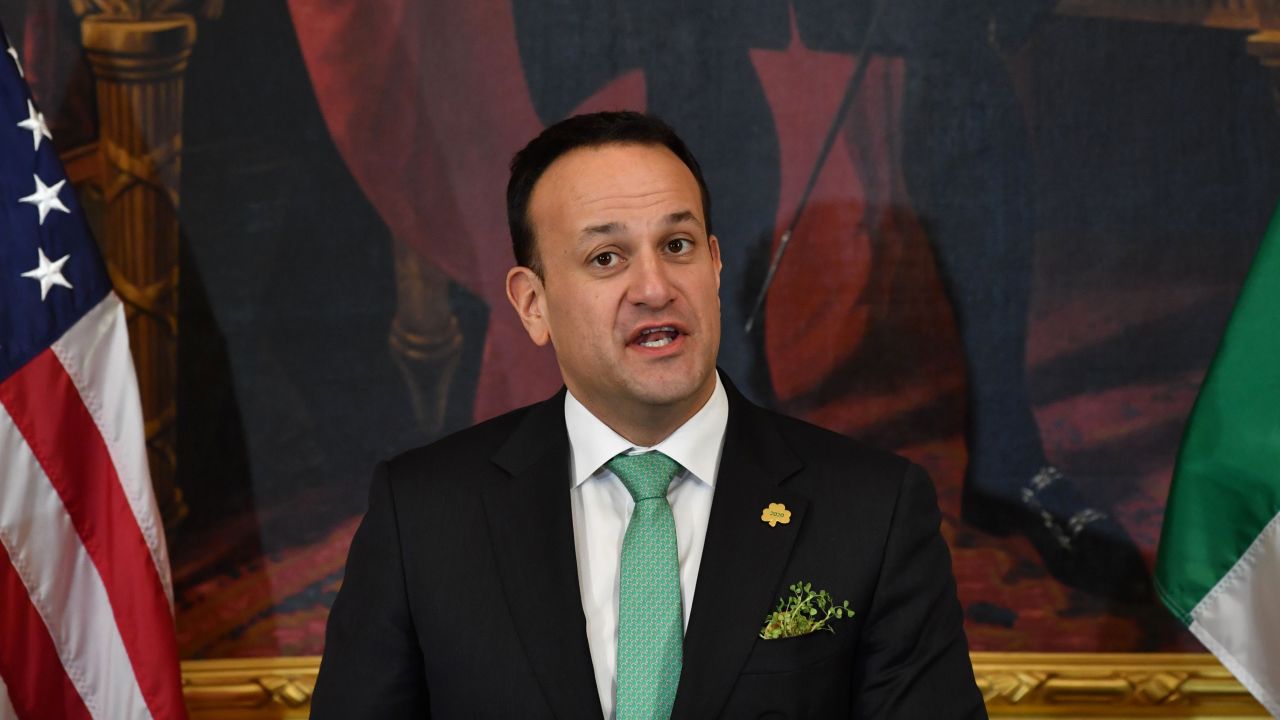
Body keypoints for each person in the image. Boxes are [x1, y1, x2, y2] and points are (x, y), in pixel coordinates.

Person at [311, 112, 985, 719]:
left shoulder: (872, 509)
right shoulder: (423, 515)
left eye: (679, 245)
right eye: (607, 257)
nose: (656, 288)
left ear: (716, 265)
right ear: (532, 304)